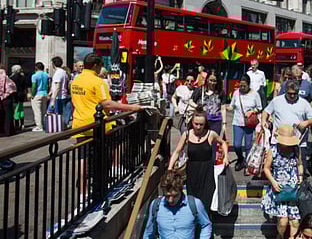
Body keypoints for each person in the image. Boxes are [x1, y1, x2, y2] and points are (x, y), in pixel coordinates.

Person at [71, 53, 142, 197]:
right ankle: (100, 187)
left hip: (79, 122)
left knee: (82, 158)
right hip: (96, 125)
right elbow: (107, 103)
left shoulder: (76, 80)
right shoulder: (98, 82)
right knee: (102, 157)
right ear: (96, 65)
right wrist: (131, 108)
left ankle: (83, 192)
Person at [168, 109, 229, 212]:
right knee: (193, 203)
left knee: (205, 202)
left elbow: (223, 143)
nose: (198, 127)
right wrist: (170, 167)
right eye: (196, 124)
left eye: (201, 124)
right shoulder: (186, 135)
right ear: (192, 123)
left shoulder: (211, 134)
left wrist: (226, 156)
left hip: (207, 172)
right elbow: (177, 151)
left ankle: (206, 224)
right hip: (192, 173)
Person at [143, 170, 212, 239]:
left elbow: (206, 225)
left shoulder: (195, 204)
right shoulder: (156, 205)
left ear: (181, 190)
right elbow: (149, 231)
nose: (171, 200)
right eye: (167, 196)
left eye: (175, 196)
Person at [262, 125, 303, 239]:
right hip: (279, 188)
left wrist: (300, 176)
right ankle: (280, 236)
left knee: (295, 222)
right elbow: (266, 168)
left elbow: (299, 164)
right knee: (283, 222)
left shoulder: (296, 149)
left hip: (293, 189)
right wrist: (273, 182)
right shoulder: (273, 150)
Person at [261, 80, 312, 164]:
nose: (292, 95)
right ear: (286, 91)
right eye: (290, 93)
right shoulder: (277, 101)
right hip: (279, 140)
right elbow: (266, 111)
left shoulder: (304, 103)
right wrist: (263, 121)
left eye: (295, 93)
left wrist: (306, 123)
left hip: (298, 142)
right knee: (279, 167)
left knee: (300, 168)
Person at [226, 74, 262, 175]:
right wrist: (225, 108)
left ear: (249, 85)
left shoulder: (255, 94)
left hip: (249, 123)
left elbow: (260, 107)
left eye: (244, 86)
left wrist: (252, 112)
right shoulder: (236, 93)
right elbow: (231, 106)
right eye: (241, 85)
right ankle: (240, 159)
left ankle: (247, 164)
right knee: (237, 145)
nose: (242, 88)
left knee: (248, 145)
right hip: (237, 122)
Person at [189, 71, 227, 143]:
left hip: (216, 121)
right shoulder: (200, 90)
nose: (212, 83)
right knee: (202, 142)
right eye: (210, 80)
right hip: (202, 121)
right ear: (207, 80)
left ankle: (212, 154)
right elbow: (190, 101)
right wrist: (197, 106)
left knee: (213, 143)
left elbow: (223, 108)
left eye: (214, 81)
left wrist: (224, 124)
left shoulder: (221, 92)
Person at [49, 57, 70, 126]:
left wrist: (53, 100)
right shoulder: (64, 72)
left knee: (54, 113)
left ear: (53, 64)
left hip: (58, 97)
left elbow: (57, 87)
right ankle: (61, 126)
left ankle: (57, 127)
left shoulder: (58, 73)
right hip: (63, 95)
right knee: (60, 114)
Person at [31, 62, 49, 132]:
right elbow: (48, 84)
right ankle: (44, 124)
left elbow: (34, 86)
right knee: (44, 110)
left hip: (37, 94)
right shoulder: (46, 75)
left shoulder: (34, 75)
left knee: (37, 111)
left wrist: (32, 94)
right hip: (44, 93)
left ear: (36, 67)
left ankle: (39, 126)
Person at [0, 65, 17, 137]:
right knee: (8, 115)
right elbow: (14, 88)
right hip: (8, 98)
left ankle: (2, 130)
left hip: (2, 98)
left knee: (2, 115)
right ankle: (9, 131)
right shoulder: (8, 79)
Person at [10, 65, 26, 130]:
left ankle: (16, 124)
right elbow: (25, 86)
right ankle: (22, 124)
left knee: (16, 110)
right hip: (22, 94)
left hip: (15, 95)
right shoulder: (23, 77)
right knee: (21, 109)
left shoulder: (12, 78)